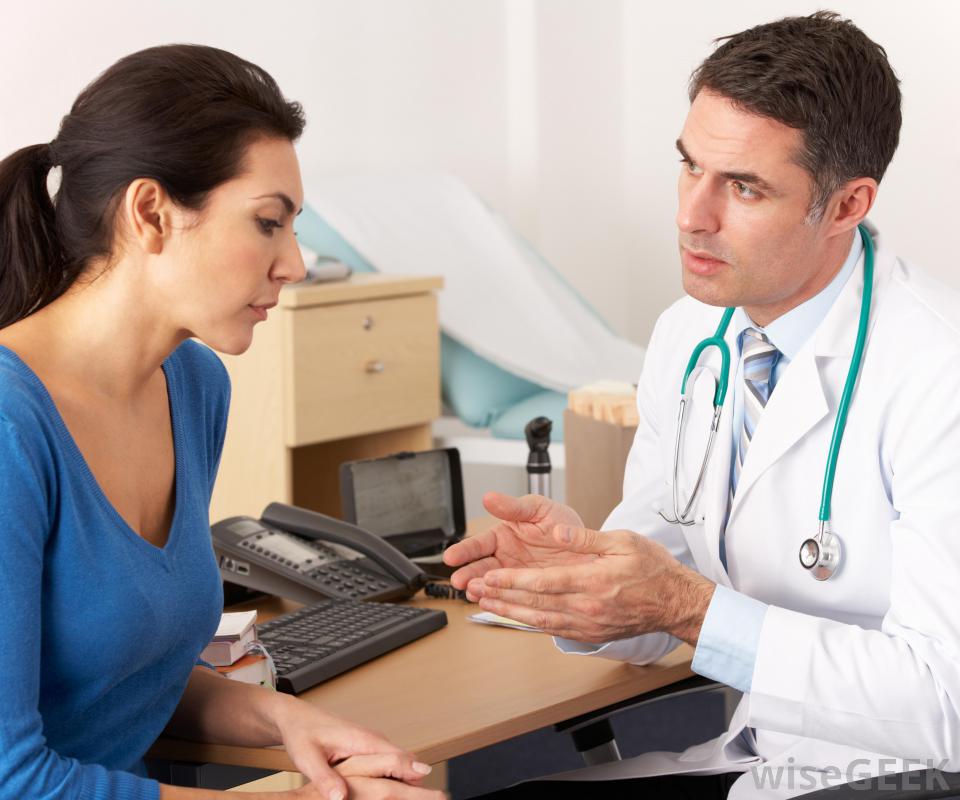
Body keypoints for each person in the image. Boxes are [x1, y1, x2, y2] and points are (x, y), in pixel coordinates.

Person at [446, 12, 960, 799]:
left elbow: (943, 705)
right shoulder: (693, 337)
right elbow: (661, 598)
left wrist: (687, 607)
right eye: (689, 167)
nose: (693, 214)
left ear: (848, 205)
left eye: (744, 186)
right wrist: (582, 578)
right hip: (762, 754)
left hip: (903, 775)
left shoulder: (937, 367)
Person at [0, 44, 443, 800]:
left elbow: (123, 675)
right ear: (150, 213)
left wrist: (283, 722)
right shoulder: (13, 427)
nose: (297, 263)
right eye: (268, 223)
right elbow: (11, 776)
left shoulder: (193, 386)